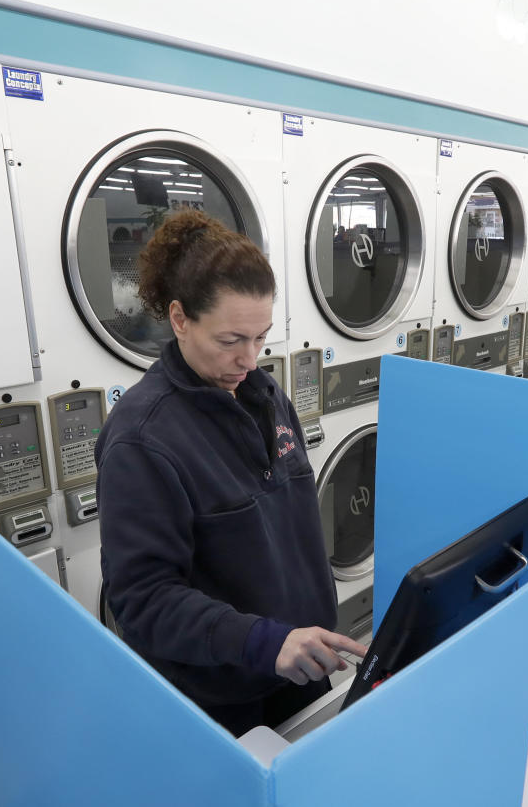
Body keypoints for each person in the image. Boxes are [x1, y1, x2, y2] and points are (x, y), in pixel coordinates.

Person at [96, 210, 367, 735]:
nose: (249, 358)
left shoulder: (264, 396)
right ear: (180, 320)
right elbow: (142, 599)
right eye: (230, 340)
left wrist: (298, 639)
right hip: (221, 699)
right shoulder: (142, 439)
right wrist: (264, 642)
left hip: (298, 667)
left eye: (261, 337)